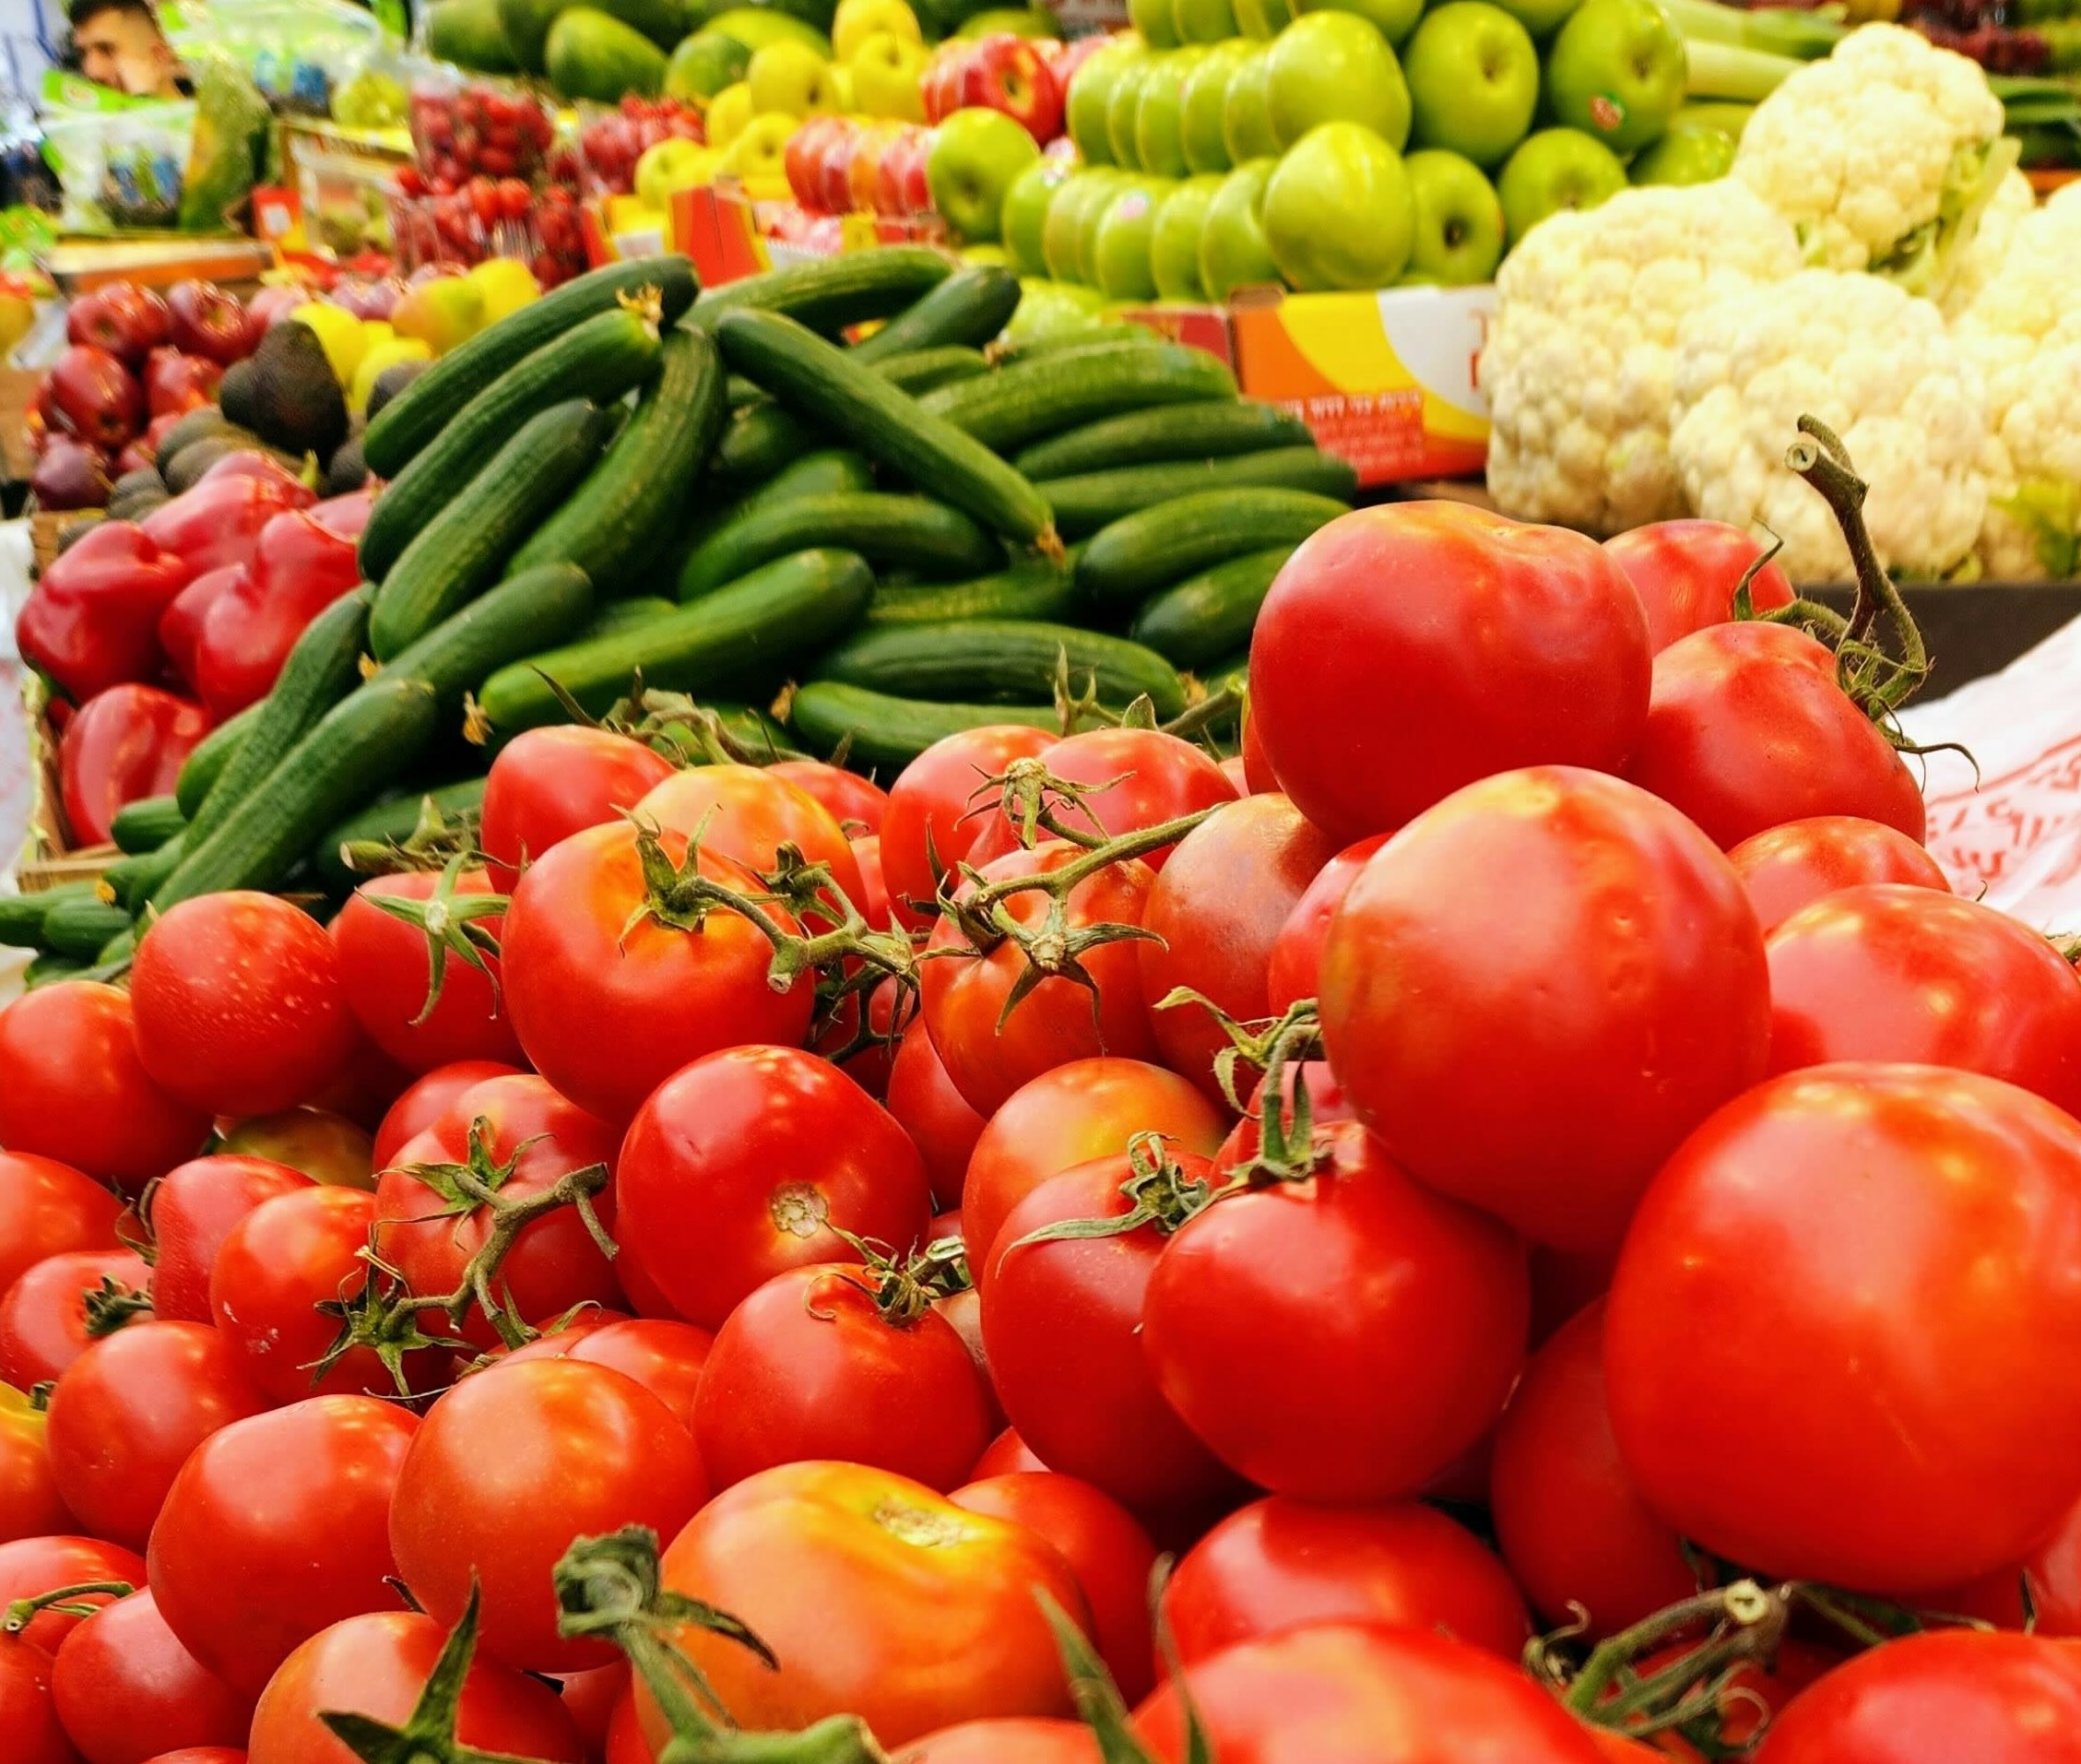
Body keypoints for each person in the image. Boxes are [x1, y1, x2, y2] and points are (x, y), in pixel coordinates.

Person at [69, 0, 182, 98]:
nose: (92, 71)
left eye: (106, 50)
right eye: (82, 54)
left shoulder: (197, 119)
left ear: (158, 57)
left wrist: (144, 99)